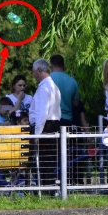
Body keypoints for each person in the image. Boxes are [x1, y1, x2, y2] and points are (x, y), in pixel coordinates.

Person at [29, 59, 61, 187]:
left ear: (39, 70)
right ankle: (49, 189)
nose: (33, 74)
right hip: (53, 125)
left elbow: (42, 113)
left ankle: (45, 190)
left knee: (43, 162)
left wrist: (37, 134)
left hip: (45, 127)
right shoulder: (53, 86)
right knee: (50, 161)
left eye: (33, 71)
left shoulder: (44, 88)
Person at [50, 54, 79, 126]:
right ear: (63, 65)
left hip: (50, 118)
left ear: (51, 66)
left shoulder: (47, 80)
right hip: (67, 119)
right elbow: (76, 103)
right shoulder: (73, 81)